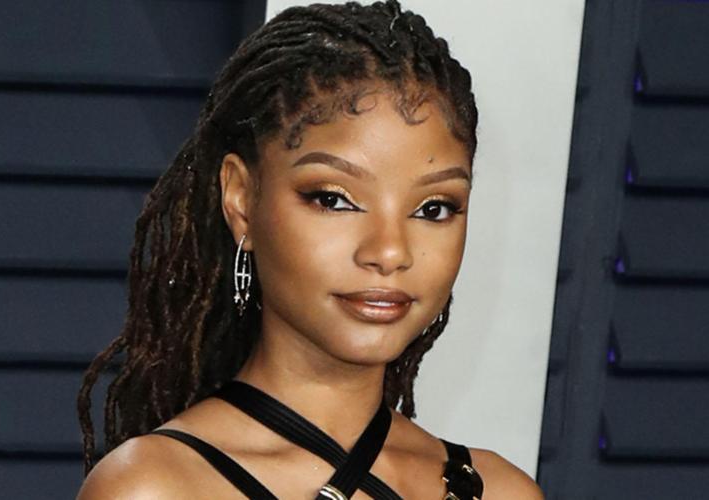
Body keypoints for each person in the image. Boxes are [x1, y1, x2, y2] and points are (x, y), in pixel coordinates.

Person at [76, 1, 544, 498]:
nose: (390, 252)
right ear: (241, 200)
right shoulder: (155, 488)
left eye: (433, 208)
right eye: (333, 199)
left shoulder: (502, 492)